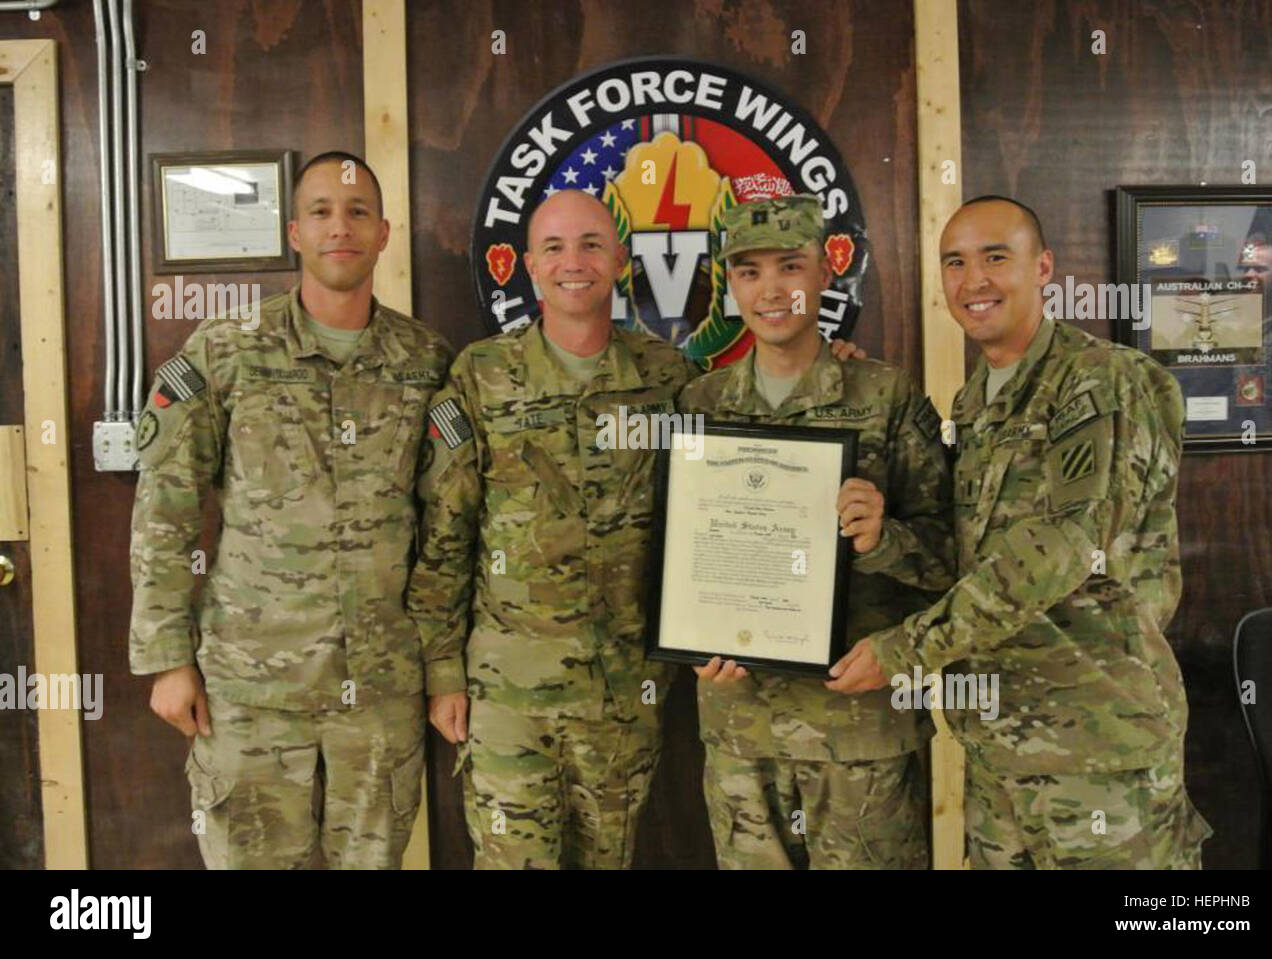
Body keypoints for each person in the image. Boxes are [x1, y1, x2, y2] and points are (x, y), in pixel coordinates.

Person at [410, 188, 871, 868]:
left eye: (592, 244)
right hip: (508, 689)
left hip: (626, 691)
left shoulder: (667, 377)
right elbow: (446, 533)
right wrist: (443, 670)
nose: (575, 262)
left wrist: (834, 367)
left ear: (621, 260)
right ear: (529, 266)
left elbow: (744, 476)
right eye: (556, 247)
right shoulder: (481, 376)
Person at [839, 195, 1212, 869]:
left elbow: (1065, 548)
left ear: (1043, 268)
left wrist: (905, 649)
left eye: (995, 257)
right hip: (999, 746)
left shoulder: (1101, 381)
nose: (973, 280)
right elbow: (974, 558)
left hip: (1097, 752)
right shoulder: (978, 402)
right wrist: (883, 541)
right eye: (955, 262)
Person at [129, 151, 453, 869]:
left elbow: (448, 525)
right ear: (295, 232)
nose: (341, 227)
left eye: (358, 212)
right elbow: (166, 504)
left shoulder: (425, 360)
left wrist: (443, 665)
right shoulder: (226, 352)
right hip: (250, 686)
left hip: (379, 686)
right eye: (322, 213)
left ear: (384, 233)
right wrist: (166, 657)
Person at [680, 195, 954, 869]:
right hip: (741, 726)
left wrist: (883, 537)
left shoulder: (886, 397)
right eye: (748, 271)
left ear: (824, 274)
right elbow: (675, 552)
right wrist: (688, 634)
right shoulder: (700, 404)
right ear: (730, 285)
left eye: (790, 267)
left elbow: (955, 555)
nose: (771, 290)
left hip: (858, 734)